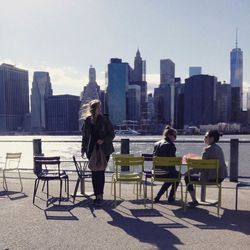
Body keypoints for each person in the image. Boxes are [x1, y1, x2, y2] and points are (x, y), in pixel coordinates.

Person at [81, 99, 115, 206]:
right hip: (91, 150)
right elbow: (84, 136)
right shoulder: (87, 121)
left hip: (104, 150)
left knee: (100, 172)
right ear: (93, 108)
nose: (100, 109)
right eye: (98, 107)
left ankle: (100, 195)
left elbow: (112, 135)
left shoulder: (105, 120)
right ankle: (97, 195)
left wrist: (103, 140)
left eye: (100, 107)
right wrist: (83, 148)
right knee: (94, 173)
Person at [184, 130, 228, 208]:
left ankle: (194, 201)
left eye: (206, 136)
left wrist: (188, 172)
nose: (204, 138)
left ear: (212, 138)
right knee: (199, 174)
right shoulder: (218, 148)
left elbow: (200, 167)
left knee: (187, 177)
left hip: (210, 178)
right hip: (220, 177)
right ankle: (197, 200)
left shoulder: (208, 149)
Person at [153, 125, 180, 203]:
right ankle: (171, 197)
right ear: (169, 135)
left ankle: (158, 196)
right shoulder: (171, 145)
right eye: (174, 136)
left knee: (172, 174)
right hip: (165, 173)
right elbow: (172, 162)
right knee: (177, 175)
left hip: (156, 172)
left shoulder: (156, 144)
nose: (175, 138)